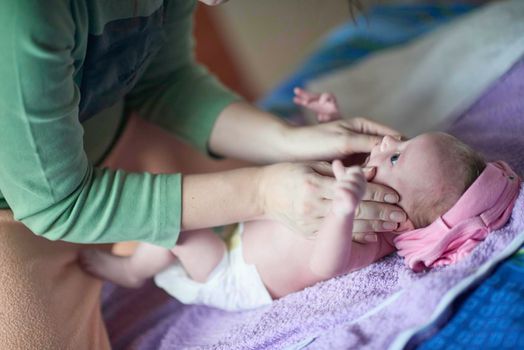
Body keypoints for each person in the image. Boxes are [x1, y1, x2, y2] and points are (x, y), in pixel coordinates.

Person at [0, 1, 405, 347]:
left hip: (122, 137)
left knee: (205, 218)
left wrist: (289, 140)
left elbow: (162, 82)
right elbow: (57, 201)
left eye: (400, 158)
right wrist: (263, 192)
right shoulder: (28, 12)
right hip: (24, 206)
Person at [79, 92, 521, 311]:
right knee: (200, 193)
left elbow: (327, 265)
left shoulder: (369, 236)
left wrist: (344, 210)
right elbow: (334, 161)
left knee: (177, 223)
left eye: (396, 156)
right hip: (241, 227)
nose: (386, 141)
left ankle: (131, 270)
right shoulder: (364, 184)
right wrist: (327, 120)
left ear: (399, 219)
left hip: (233, 273)